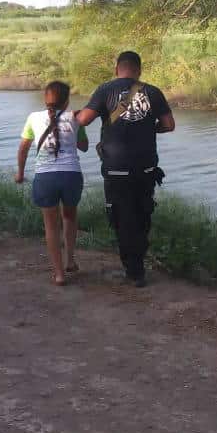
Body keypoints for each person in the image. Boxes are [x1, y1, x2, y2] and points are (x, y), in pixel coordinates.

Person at [75, 51, 175, 288]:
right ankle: (138, 268)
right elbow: (169, 125)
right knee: (142, 213)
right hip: (145, 167)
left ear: (116, 68)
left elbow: (83, 120)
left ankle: (131, 269)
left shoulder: (104, 90)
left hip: (116, 168)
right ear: (139, 70)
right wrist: (150, 129)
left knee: (121, 215)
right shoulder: (153, 91)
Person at [15, 81, 89, 286]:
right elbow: (84, 147)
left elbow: (23, 149)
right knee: (69, 216)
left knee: (50, 225)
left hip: (45, 177)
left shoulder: (33, 118)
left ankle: (59, 274)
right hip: (71, 175)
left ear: (44, 99)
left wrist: (20, 173)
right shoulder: (75, 117)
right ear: (66, 101)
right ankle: (71, 260)